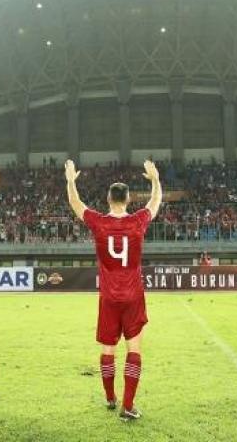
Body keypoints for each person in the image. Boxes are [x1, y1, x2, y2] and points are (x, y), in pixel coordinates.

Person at [65, 159, 162, 421]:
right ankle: (127, 406)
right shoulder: (138, 221)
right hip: (133, 295)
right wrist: (154, 180)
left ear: (108, 199)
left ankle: (110, 398)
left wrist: (71, 181)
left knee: (108, 349)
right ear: (128, 199)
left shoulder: (98, 222)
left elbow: (76, 205)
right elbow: (155, 203)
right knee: (134, 349)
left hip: (108, 296)